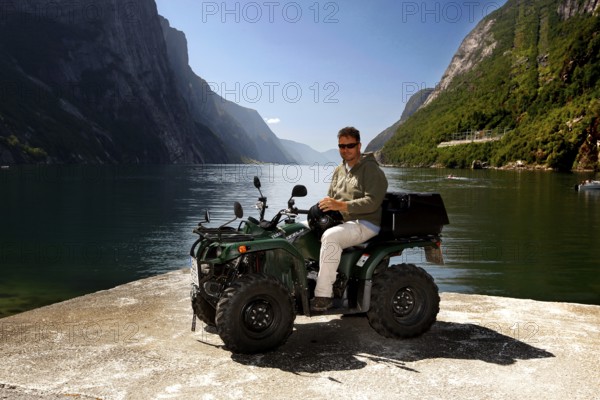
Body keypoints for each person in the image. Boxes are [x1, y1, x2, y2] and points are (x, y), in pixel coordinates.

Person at [311, 127, 388, 312]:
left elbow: (372, 202)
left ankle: (323, 295)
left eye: (350, 145)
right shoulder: (339, 170)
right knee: (300, 230)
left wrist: (342, 206)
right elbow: (331, 198)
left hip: (366, 223)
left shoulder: (370, 169)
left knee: (331, 237)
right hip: (342, 221)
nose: (345, 150)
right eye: (341, 146)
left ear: (359, 145)